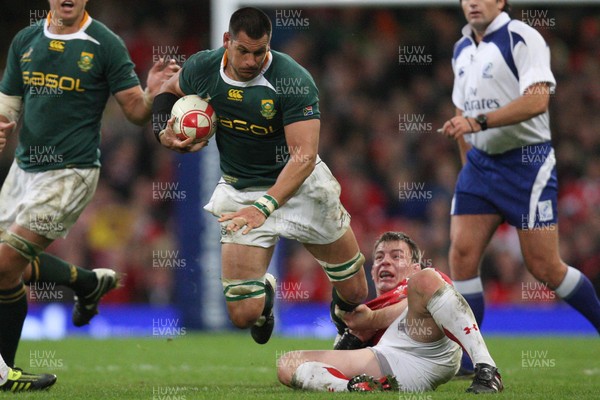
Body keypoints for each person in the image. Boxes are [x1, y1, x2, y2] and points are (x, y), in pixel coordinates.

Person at [152, 7, 368, 345]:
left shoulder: (292, 79)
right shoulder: (203, 67)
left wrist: (265, 206)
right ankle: (265, 302)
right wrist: (161, 132)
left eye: (260, 51)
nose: (252, 60)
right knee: (243, 315)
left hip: (301, 188)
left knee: (355, 290)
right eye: (243, 51)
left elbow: (304, 156)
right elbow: (168, 90)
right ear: (227, 42)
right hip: (242, 192)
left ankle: (345, 324)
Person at [0, 0, 179, 390]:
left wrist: (151, 94)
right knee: (4, 269)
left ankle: (2, 372)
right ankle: (84, 282)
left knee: (4, 262)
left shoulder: (104, 43)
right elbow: (9, 102)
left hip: (70, 173)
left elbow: (135, 111)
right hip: (23, 170)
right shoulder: (25, 40)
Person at [440, 0, 600, 375]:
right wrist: (469, 168)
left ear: (501, 2)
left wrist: (479, 122)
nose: (473, 2)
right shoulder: (461, 49)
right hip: (480, 166)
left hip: (526, 163)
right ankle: (469, 358)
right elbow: (462, 115)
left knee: (545, 267)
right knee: (461, 255)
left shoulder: (522, 38)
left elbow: (538, 99)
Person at [277, 231, 503, 393]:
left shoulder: (423, 280)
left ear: (415, 267)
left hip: (427, 351)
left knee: (424, 282)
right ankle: (356, 389)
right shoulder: (364, 312)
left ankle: (487, 368)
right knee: (288, 363)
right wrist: (349, 334)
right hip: (390, 364)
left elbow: (425, 295)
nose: (385, 262)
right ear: (373, 272)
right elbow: (340, 357)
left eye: (396, 256)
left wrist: (372, 321)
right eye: (379, 258)